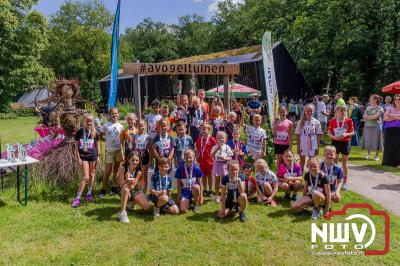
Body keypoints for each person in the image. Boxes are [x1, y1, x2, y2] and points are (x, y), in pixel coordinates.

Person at [72, 113, 100, 207]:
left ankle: (89, 193)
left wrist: (98, 156)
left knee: (92, 174)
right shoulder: (80, 131)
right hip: (83, 156)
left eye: (91, 120)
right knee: (86, 176)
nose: (89, 122)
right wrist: (78, 157)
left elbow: (98, 144)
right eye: (87, 120)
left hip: (93, 156)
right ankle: (77, 198)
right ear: (84, 121)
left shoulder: (95, 132)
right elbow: (76, 145)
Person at [118, 151, 151, 223]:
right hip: (124, 187)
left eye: (137, 160)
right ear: (128, 160)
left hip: (134, 188)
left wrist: (131, 183)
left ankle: (131, 202)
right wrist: (127, 180)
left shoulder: (139, 171)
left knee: (147, 207)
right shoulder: (122, 168)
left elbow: (133, 186)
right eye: (133, 160)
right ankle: (122, 213)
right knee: (126, 190)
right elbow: (121, 184)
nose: (135, 162)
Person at [98, 108, 124, 198]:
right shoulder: (106, 125)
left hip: (118, 150)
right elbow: (99, 136)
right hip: (109, 150)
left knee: (116, 169)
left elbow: (123, 139)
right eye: (113, 113)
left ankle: (114, 187)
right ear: (109, 115)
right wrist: (105, 140)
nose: (114, 115)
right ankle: (103, 189)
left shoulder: (121, 126)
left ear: (118, 115)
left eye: (116, 113)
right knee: (108, 170)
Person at [327, 105, 354, 190]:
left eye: (345, 110)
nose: (343, 112)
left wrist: (347, 134)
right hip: (335, 142)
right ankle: (334, 181)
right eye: (341, 110)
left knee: (344, 163)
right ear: (336, 112)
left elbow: (353, 132)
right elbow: (328, 132)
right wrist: (333, 137)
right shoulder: (332, 121)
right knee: (334, 162)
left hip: (345, 142)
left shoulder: (349, 121)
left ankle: (345, 183)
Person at [295, 104, 323, 174]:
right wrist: (298, 146)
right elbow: (298, 135)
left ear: (313, 111)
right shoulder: (300, 122)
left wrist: (317, 147)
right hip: (303, 145)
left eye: (311, 111)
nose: (309, 113)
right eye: (307, 111)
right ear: (304, 111)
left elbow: (319, 135)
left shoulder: (316, 122)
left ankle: (311, 178)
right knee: (302, 162)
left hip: (313, 145)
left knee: (312, 162)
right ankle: (300, 178)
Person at [211, 131, 233, 203]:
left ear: (225, 139)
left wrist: (225, 158)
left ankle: (224, 194)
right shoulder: (214, 147)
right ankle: (217, 195)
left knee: (225, 181)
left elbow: (230, 157)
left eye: (222, 138)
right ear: (216, 139)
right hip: (217, 164)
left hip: (224, 165)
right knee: (217, 180)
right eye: (219, 138)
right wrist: (218, 148)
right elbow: (211, 156)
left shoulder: (227, 147)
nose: (220, 139)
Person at [196, 122, 217, 198]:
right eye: (201, 129)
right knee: (203, 176)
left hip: (210, 161)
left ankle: (211, 190)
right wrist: (197, 157)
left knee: (210, 176)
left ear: (209, 130)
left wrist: (214, 158)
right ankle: (205, 189)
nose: (203, 130)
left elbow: (216, 149)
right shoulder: (199, 139)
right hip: (202, 161)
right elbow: (198, 149)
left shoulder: (212, 139)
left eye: (204, 129)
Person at [361, 95, 384, 161]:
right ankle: (368, 154)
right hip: (367, 125)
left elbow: (376, 116)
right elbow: (364, 116)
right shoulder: (368, 108)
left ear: (376, 100)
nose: (370, 100)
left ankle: (377, 156)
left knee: (377, 141)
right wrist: (371, 117)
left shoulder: (380, 108)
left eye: (371, 99)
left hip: (376, 126)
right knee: (368, 140)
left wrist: (368, 117)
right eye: (370, 98)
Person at [133, 119, 152, 192]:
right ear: (136, 127)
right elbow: (133, 147)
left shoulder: (148, 137)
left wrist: (150, 161)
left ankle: (144, 191)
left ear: (145, 126)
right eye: (139, 126)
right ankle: (139, 190)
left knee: (144, 175)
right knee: (138, 174)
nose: (141, 128)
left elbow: (150, 150)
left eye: (142, 126)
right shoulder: (135, 136)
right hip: (137, 157)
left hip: (145, 156)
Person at [382, 94, 400, 167]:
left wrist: (390, 115)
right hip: (388, 129)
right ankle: (387, 163)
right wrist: (396, 117)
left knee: (398, 146)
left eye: (399, 99)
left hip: (398, 129)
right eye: (396, 99)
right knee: (388, 146)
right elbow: (385, 118)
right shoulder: (390, 107)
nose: (397, 101)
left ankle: (397, 163)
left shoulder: (390, 109)